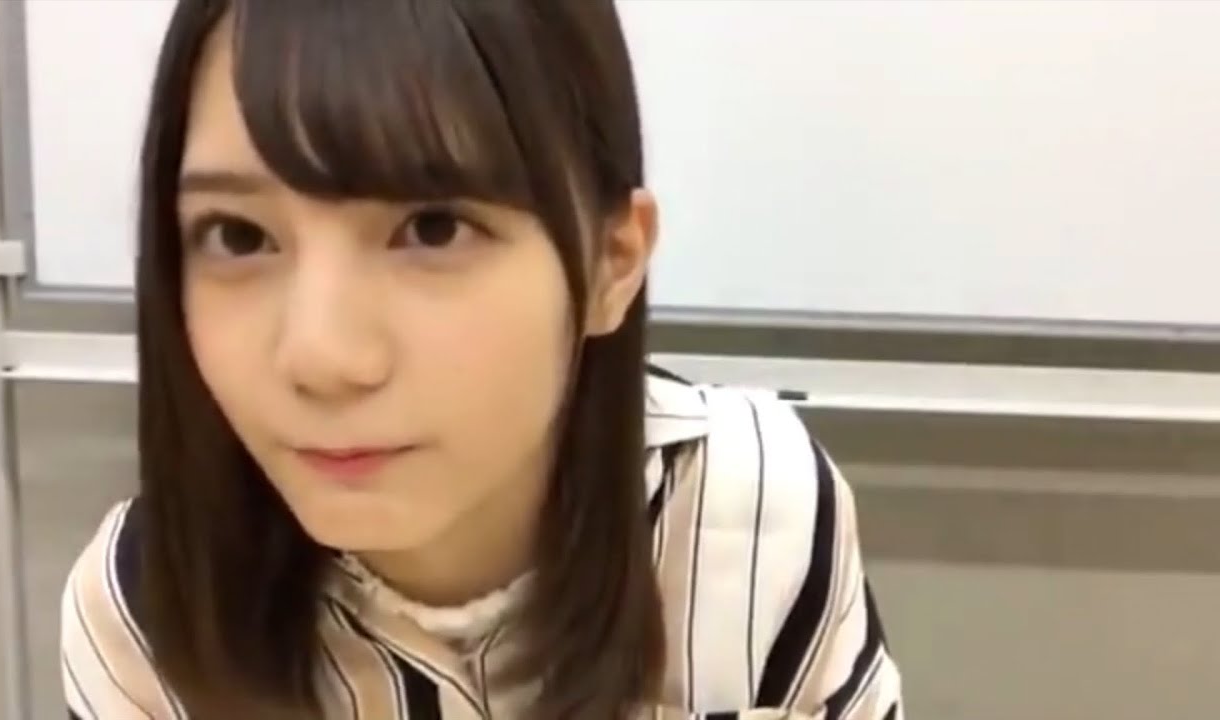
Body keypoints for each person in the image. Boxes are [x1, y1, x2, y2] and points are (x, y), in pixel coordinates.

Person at [60, 1, 903, 718]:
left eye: (433, 229)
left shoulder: (750, 513)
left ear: (612, 261)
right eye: (239, 236)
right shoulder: (140, 613)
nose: (321, 356)